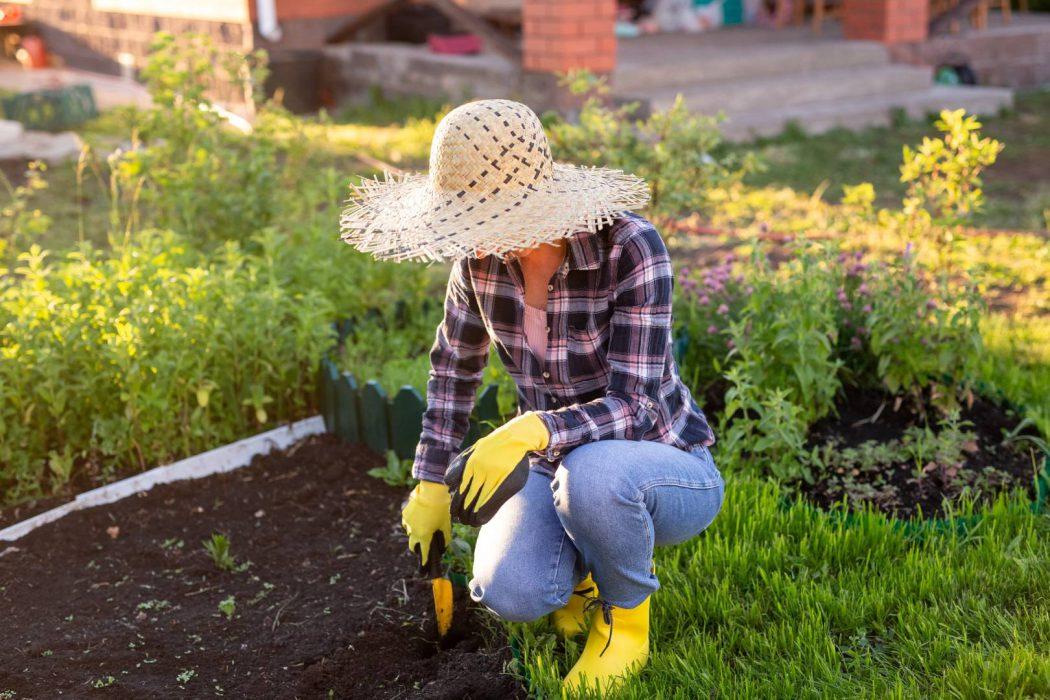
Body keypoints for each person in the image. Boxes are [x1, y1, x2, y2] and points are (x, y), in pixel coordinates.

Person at [340, 98, 723, 693]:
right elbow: (453, 366)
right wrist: (430, 481)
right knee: (509, 591)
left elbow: (636, 406)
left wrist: (531, 430)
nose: (477, 239)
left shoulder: (629, 247)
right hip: (554, 466)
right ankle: (583, 574)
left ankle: (625, 625)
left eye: (485, 219)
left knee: (593, 474)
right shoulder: (480, 263)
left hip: (659, 466)